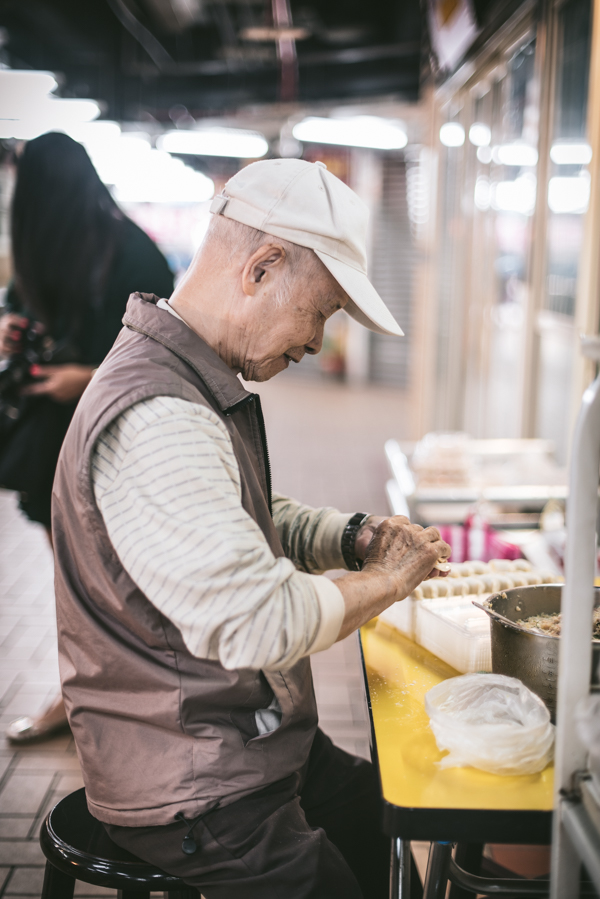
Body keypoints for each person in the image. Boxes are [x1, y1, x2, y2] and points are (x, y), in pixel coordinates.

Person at [53, 158, 450, 898]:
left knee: (383, 823)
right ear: (261, 268)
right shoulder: (158, 414)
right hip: (188, 780)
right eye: (322, 311)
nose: (315, 342)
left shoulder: (189, 375)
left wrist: (352, 536)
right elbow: (257, 620)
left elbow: (245, 516)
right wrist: (386, 580)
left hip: (244, 739)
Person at [0, 131, 174, 743]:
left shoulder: (132, 252)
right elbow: (22, 310)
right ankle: (82, 703)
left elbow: (167, 349)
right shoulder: (42, 246)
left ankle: (124, 705)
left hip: (115, 441)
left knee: (117, 584)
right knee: (73, 585)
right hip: (50, 441)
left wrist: (92, 377)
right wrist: (10, 329)